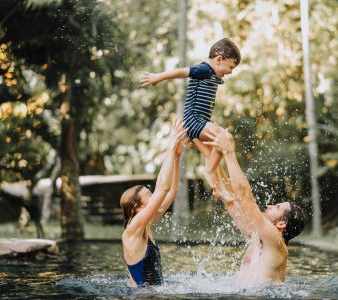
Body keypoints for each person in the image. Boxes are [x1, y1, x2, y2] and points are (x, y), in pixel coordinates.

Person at [195, 126, 305, 284]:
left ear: (281, 223)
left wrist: (230, 152)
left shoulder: (276, 242)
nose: (269, 205)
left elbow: (245, 197)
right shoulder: (256, 235)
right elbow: (230, 193)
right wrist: (207, 149)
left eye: (277, 207)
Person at [140, 38, 241, 199]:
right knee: (223, 140)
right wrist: (159, 77)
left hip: (201, 122)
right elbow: (182, 72)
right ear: (219, 59)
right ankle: (207, 172)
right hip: (194, 121)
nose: (230, 72)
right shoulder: (204, 69)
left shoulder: (212, 73)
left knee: (214, 152)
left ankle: (217, 188)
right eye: (230, 67)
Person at [120, 118, 188, 288]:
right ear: (139, 207)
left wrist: (177, 157)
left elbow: (171, 192)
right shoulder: (132, 231)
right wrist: (170, 148)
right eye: (149, 194)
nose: (154, 195)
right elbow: (163, 188)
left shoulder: (146, 224)